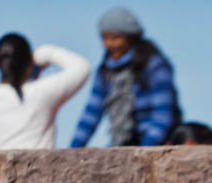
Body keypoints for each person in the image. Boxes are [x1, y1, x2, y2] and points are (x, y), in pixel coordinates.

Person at [70, 7, 182, 147]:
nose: (108, 44)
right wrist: (73, 148)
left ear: (130, 37)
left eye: (114, 38)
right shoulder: (105, 71)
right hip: (122, 141)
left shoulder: (153, 65)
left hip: (158, 142)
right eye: (104, 38)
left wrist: (144, 150)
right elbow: (91, 114)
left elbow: (163, 115)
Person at [0, 33, 90, 150]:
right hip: (39, 169)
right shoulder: (40, 93)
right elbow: (81, 68)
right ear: (30, 63)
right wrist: (47, 53)